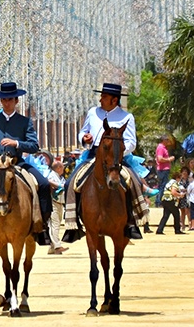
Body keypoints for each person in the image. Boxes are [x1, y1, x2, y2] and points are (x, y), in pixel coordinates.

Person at [0, 82, 53, 254]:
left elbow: (34, 146)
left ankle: (42, 228)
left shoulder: (24, 121)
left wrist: (16, 143)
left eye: (9, 100)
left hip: (17, 163)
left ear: (16, 101)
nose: (6, 103)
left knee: (44, 185)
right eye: (3, 100)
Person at [60, 83, 147, 243]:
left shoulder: (126, 117)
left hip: (117, 158)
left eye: (104, 97)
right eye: (101, 96)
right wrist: (84, 138)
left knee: (134, 182)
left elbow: (131, 142)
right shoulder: (93, 112)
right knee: (70, 182)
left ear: (114, 100)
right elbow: (83, 132)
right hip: (92, 154)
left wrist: (116, 153)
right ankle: (73, 223)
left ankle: (132, 222)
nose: (101, 99)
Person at [47, 160, 68, 254]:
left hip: (59, 203)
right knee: (54, 224)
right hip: (53, 202)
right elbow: (49, 182)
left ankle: (52, 247)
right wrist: (61, 186)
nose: (63, 169)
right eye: (62, 167)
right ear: (58, 168)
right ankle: (57, 247)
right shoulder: (52, 175)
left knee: (56, 224)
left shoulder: (59, 176)